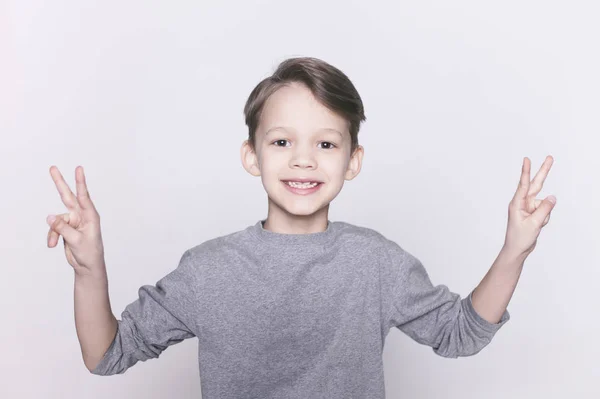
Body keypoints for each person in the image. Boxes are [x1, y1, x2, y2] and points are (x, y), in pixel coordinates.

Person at [46, 56, 556, 398]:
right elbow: (105, 354)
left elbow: (460, 334)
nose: (304, 161)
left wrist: (514, 250)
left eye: (326, 144)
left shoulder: (376, 262)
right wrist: (90, 268)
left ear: (353, 161)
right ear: (252, 155)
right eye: (282, 142)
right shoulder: (208, 271)